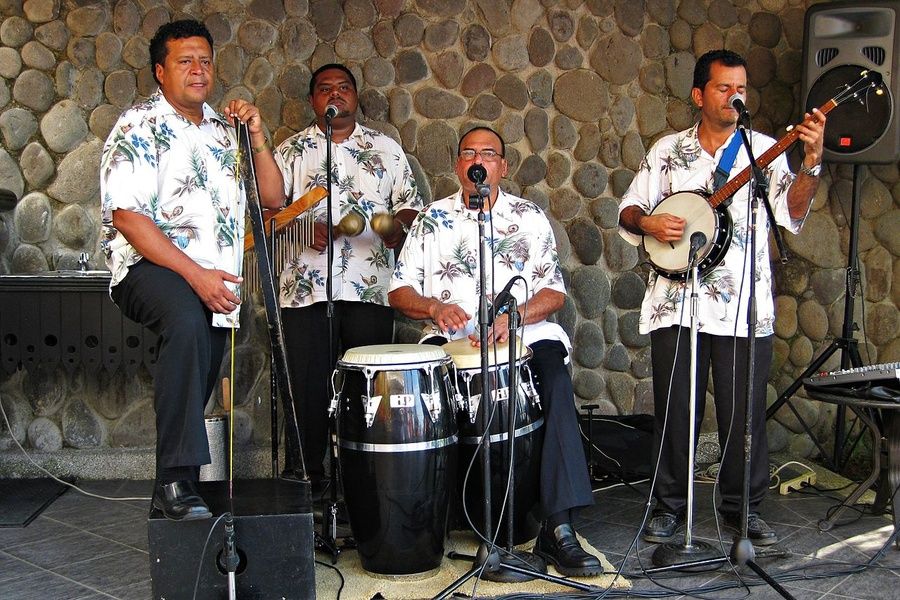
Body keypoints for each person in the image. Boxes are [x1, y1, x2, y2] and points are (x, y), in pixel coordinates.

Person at [618, 49, 825, 545]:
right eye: (723, 87)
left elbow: (792, 214)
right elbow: (628, 210)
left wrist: (812, 166)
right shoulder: (667, 151)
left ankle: (743, 510)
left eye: (741, 89)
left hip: (742, 307)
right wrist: (649, 222)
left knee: (743, 416)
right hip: (675, 302)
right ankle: (669, 507)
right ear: (698, 94)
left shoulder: (764, 150)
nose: (735, 96)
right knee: (675, 411)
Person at [389, 126, 603, 577]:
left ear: (503, 167)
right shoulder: (431, 219)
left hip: (527, 337)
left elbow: (553, 291)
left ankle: (558, 527)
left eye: (488, 153)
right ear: (457, 165)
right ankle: (437, 524)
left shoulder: (528, 216)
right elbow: (398, 290)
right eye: (469, 152)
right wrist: (433, 306)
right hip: (451, 342)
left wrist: (515, 316)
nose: (478, 159)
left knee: (557, 381)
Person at [100, 19, 284, 520]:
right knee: (184, 321)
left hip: (212, 280)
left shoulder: (228, 133)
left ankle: (170, 491)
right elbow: (128, 218)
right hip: (148, 268)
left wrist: (259, 135)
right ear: (161, 72)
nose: (198, 70)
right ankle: (177, 481)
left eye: (205, 60)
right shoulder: (139, 124)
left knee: (200, 357)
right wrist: (196, 276)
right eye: (185, 61)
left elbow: (273, 197)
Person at [273, 64, 423, 487]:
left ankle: (367, 480)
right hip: (303, 288)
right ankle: (304, 477)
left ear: (356, 97)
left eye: (344, 88)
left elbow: (409, 205)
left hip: (371, 286)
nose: (335, 95)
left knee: (368, 389)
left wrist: (396, 227)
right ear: (313, 101)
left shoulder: (386, 148)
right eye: (325, 89)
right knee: (306, 388)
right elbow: (267, 214)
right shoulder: (289, 152)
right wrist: (304, 228)